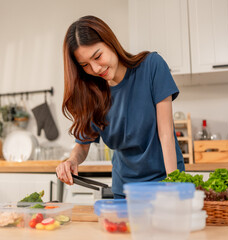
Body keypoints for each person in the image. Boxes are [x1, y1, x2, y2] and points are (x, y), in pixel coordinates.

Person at [56, 15, 185, 199]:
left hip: (166, 182)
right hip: (125, 191)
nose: (96, 69)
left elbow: (166, 135)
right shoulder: (91, 95)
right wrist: (71, 161)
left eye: (97, 56)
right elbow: (82, 146)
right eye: (85, 65)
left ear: (109, 41)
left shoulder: (152, 66)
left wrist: (174, 186)